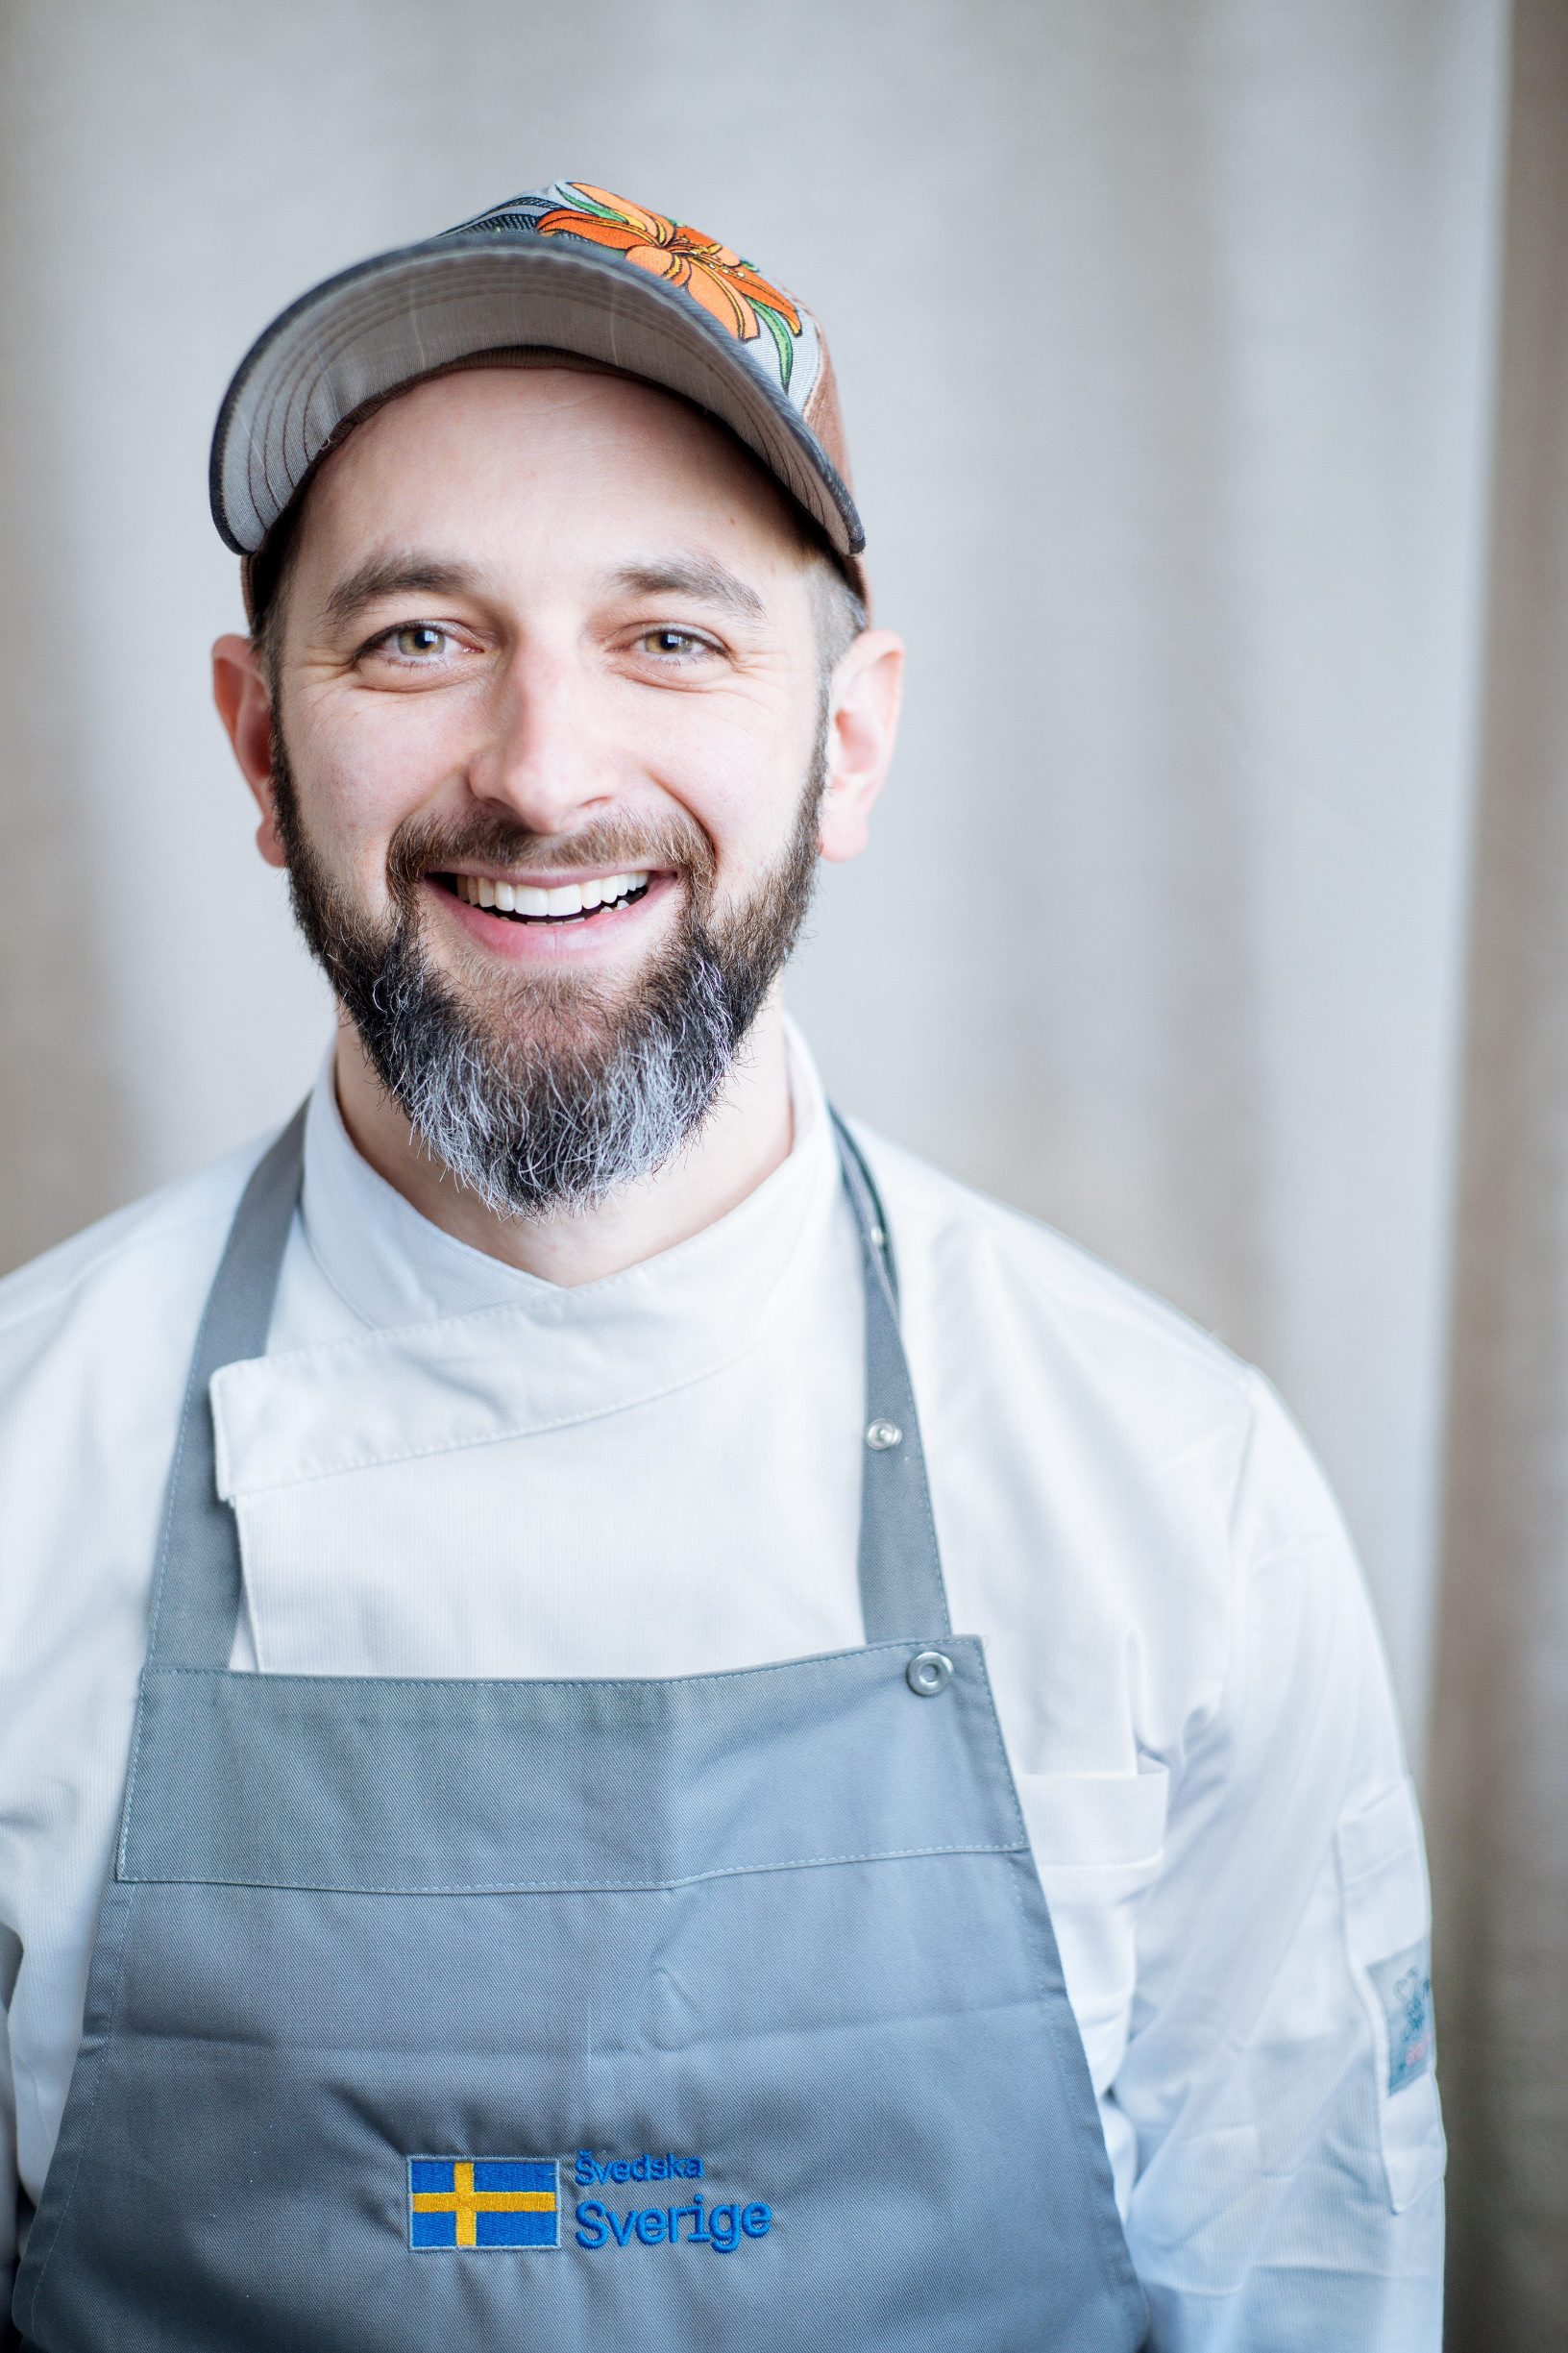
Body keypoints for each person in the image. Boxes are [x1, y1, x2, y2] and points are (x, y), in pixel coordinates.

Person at [0, 182, 1443, 2350]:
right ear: (257, 743)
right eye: (418, 638)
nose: (543, 773)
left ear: (843, 741)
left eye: (670, 638)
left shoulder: (1175, 1497)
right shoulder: (22, 1472)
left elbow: (1312, 2289)